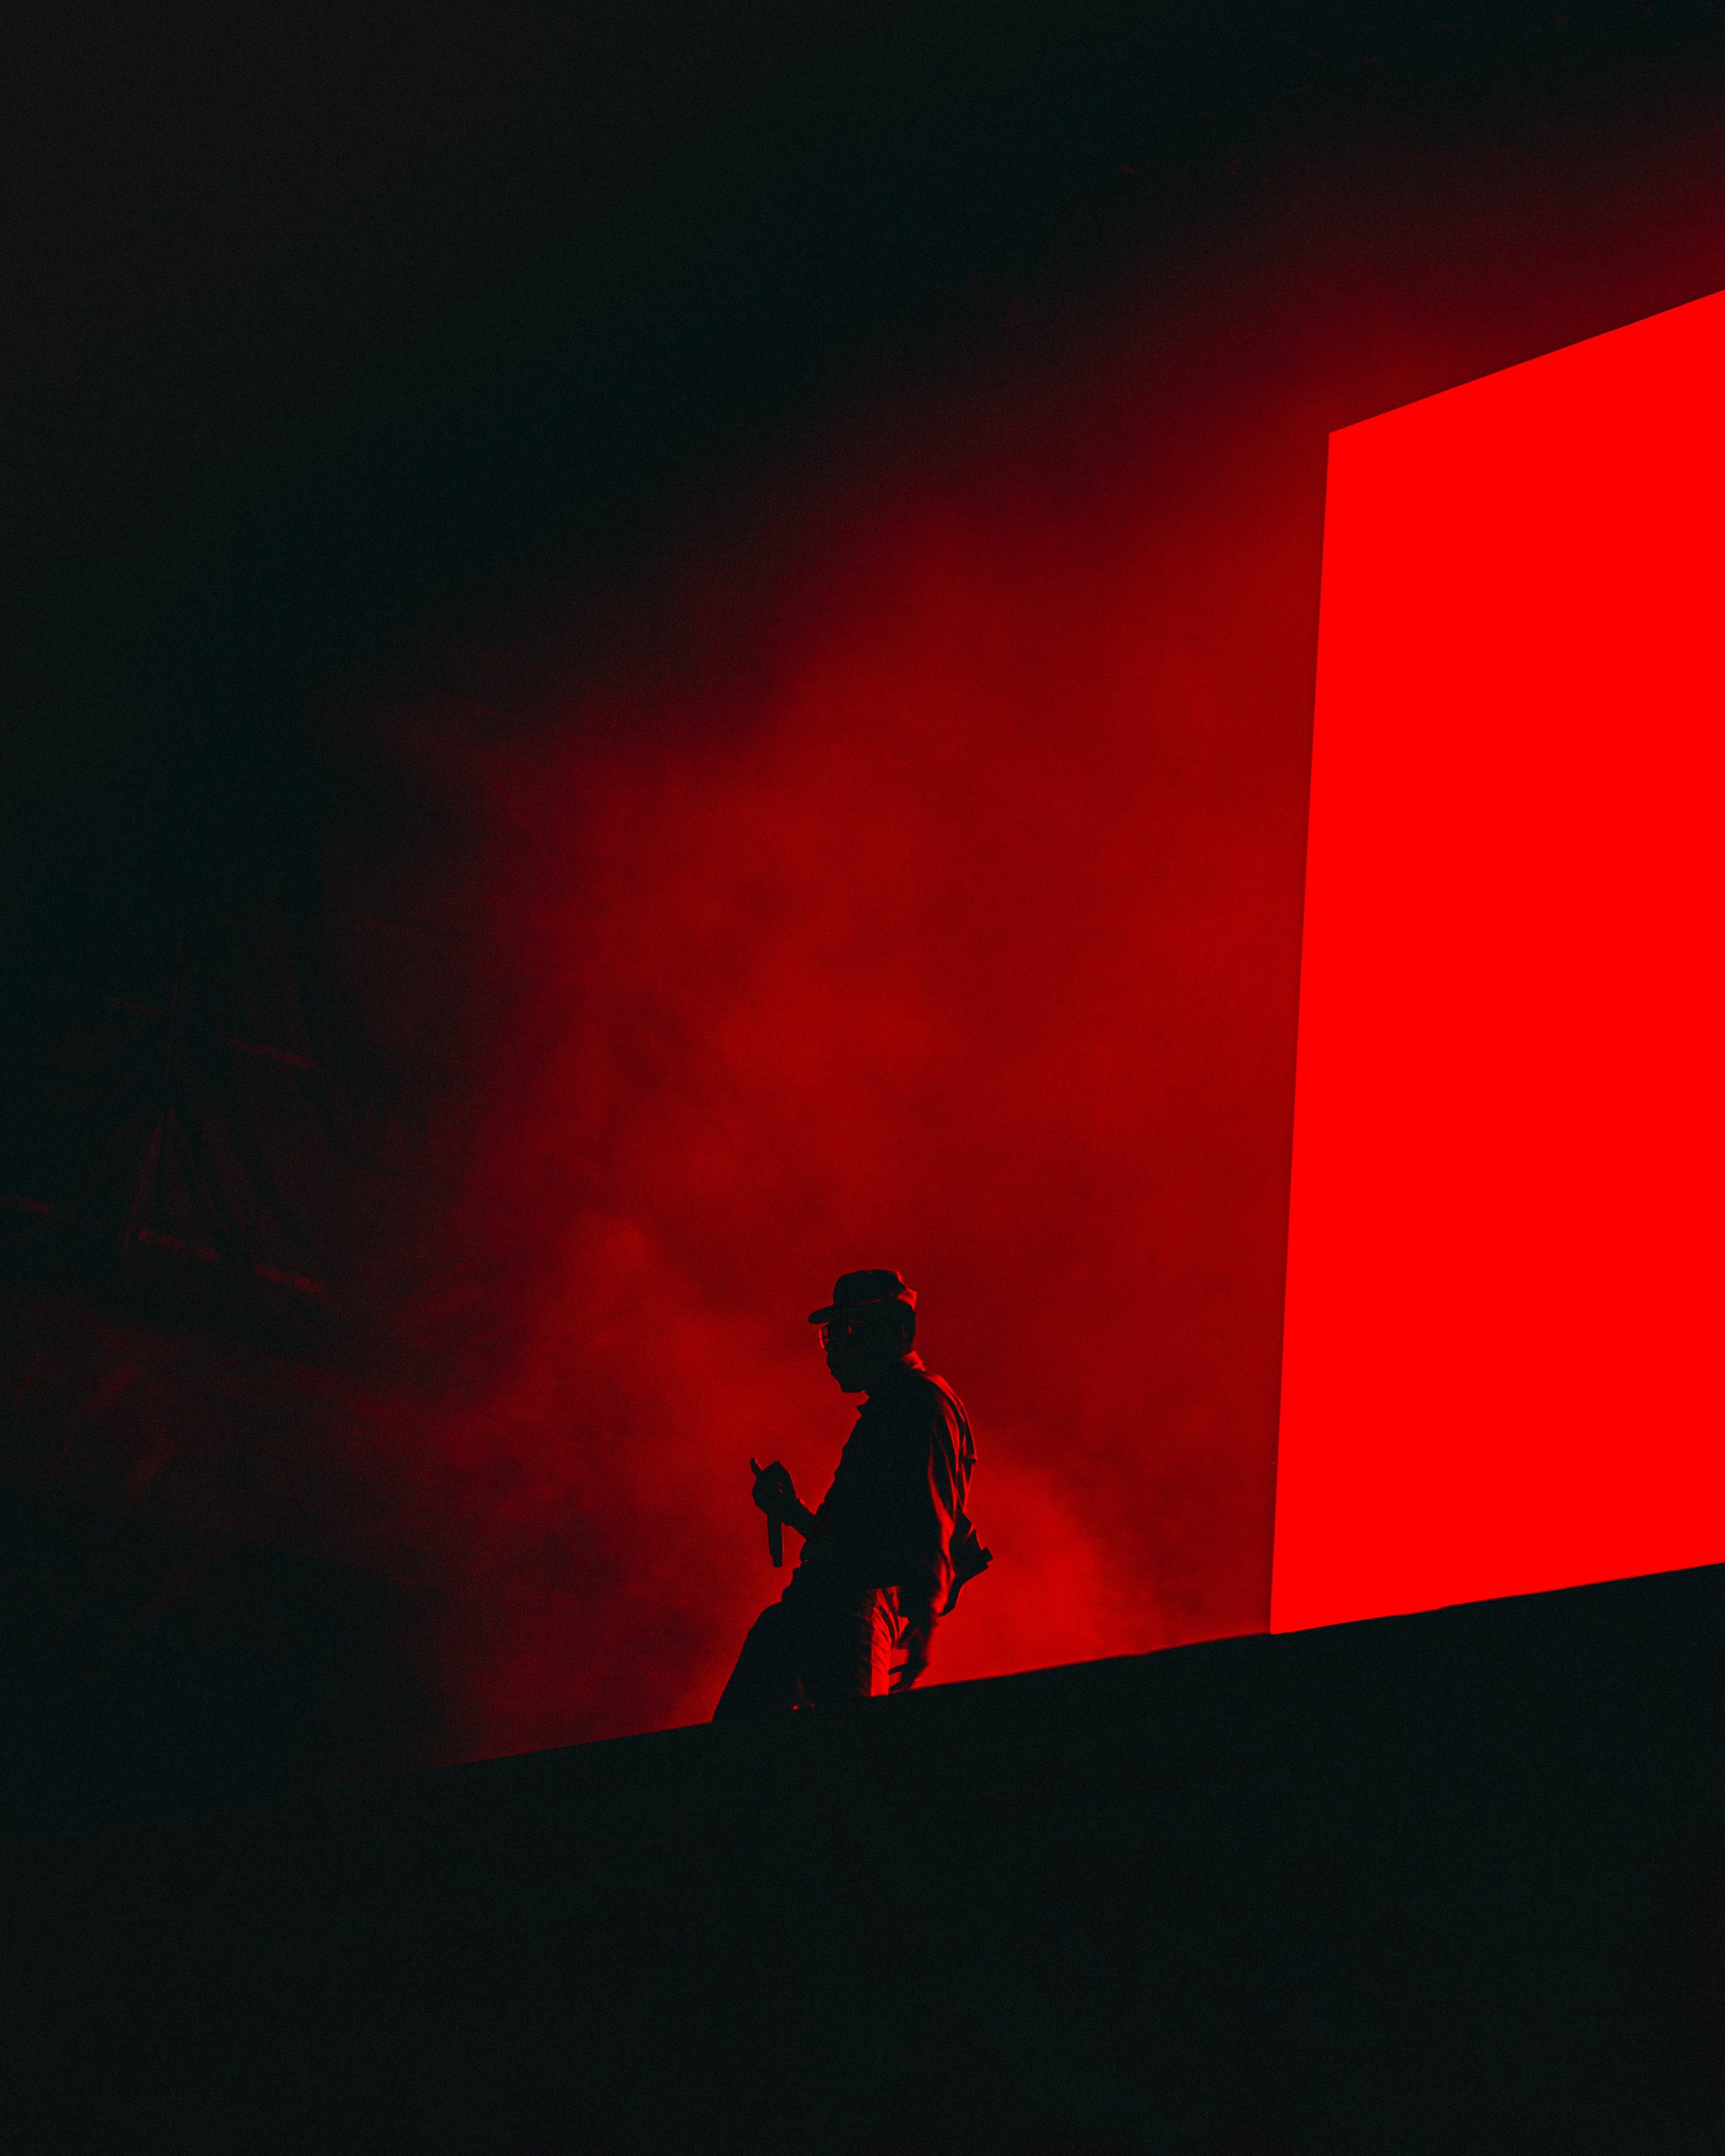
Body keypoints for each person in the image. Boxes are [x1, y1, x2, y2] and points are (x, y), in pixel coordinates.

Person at [713, 1268, 990, 1719]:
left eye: (850, 1329)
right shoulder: (895, 1406)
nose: (835, 1345)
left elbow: (930, 1512)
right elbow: (860, 1536)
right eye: (831, 1333)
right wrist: (794, 1511)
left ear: (898, 1331)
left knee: (846, 1756)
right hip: (824, 1607)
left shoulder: (918, 1401)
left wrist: (924, 1616)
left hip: (849, 1610)